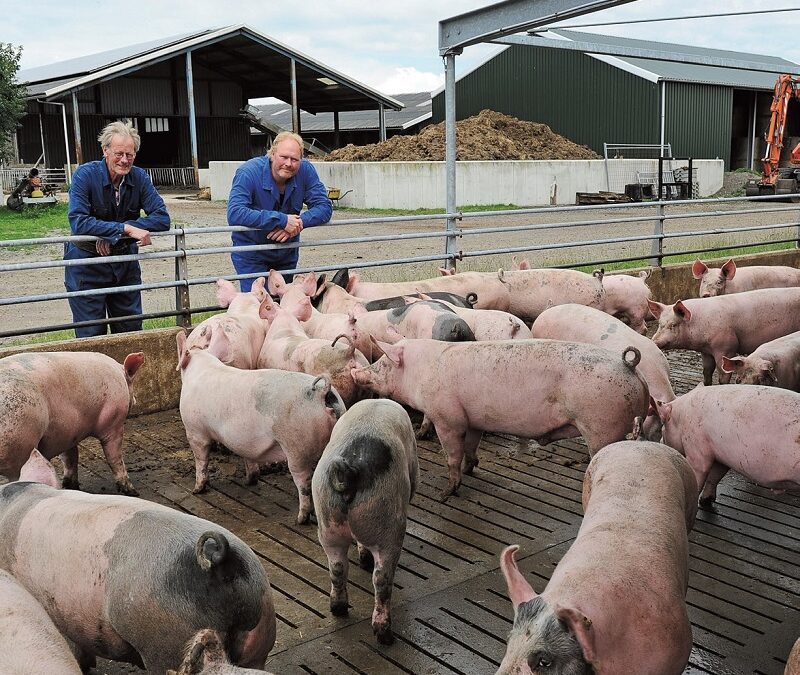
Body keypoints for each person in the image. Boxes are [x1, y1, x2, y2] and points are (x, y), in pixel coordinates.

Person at [65, 120, 170, 337]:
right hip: (88, 264)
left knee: (130, 329)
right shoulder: (85, 175)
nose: (124, 160)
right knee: (91, 334)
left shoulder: (139, 177)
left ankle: (127, 372)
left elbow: (162, 218)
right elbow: (79, 221)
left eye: (129, 155)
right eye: (118, 153)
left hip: (124, 264)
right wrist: (126, 229)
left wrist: (116, 235)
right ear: (105, 150)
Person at [227, 131, 332, 292]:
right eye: (284, 157)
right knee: (257, 304)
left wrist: (299, 223)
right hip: (252, 252)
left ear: (301, 159)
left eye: (295, 159)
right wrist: (282, 220)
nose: (289, 163)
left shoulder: (305, 171)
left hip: (286, 252)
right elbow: (235, 212)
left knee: (284, 304)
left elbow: (324, 207)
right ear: (272, 153)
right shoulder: (248, 173)